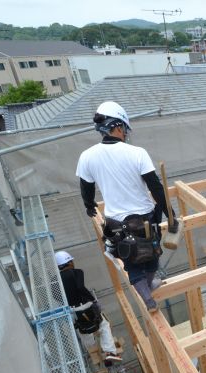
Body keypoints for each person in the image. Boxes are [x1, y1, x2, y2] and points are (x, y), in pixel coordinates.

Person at [77, 101, 167, 311]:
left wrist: (89, 206)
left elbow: (86, 189)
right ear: (117, 126)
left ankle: (148, 298)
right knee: (152, 252)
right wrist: (168, 212)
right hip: (146, 217)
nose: (126, 134)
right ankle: (150, 285)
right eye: (125, 129)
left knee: (131, 260)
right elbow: (156, 187)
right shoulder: (137, 153)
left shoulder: (87, 156)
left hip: (117, 221)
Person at [55, 250, 121, 364]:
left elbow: (56, 295)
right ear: (69, 262)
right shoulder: (77, 272)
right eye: (71, 261)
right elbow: (81, 287)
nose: (73, 263)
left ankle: (92, 349)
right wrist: (93, 300)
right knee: (103, 325)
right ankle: (110, 352)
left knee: (84, 330)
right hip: (86, 305)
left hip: (72, 310)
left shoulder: (54, 281)